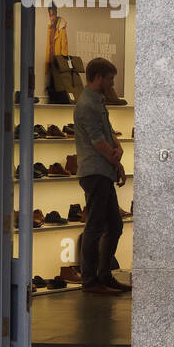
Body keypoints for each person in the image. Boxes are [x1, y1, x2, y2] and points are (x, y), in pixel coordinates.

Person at [73, 58, 129, 296]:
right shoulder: (87, 104)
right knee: (95, 227)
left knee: (113, 225)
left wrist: (117, 158)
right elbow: (98, 141)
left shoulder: (97, 102)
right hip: (95, 171)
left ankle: (103, 275)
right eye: (109, 78)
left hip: (102, 170)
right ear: (98, 78)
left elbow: (107, 134)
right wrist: (116, 160)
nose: (111, 83)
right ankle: (90, 279)